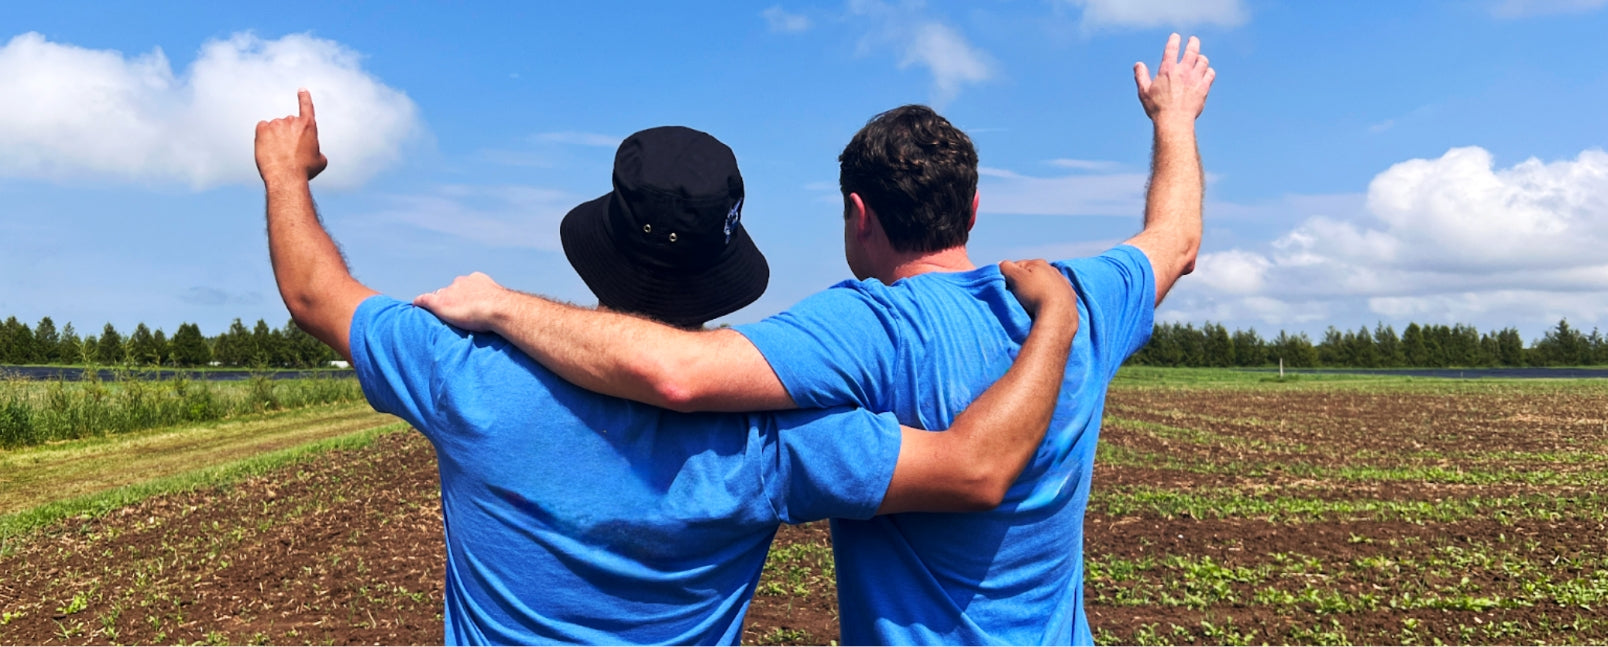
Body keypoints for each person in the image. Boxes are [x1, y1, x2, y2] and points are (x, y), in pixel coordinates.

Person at [413, 34, 1215, 644]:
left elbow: (676, 372)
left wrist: (504, 306)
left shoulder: (862, 327)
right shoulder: (1073, 298)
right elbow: (1175, 238)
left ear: (858, 216)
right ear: (972, 210)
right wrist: (1173, 117)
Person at [257, 98, 1084, 644]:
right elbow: (974, 465)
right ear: (724, 264)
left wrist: (286, 173)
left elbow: (313, 291)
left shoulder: (463, 372)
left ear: (599, 241)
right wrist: (1054, 319)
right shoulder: (773, 440)